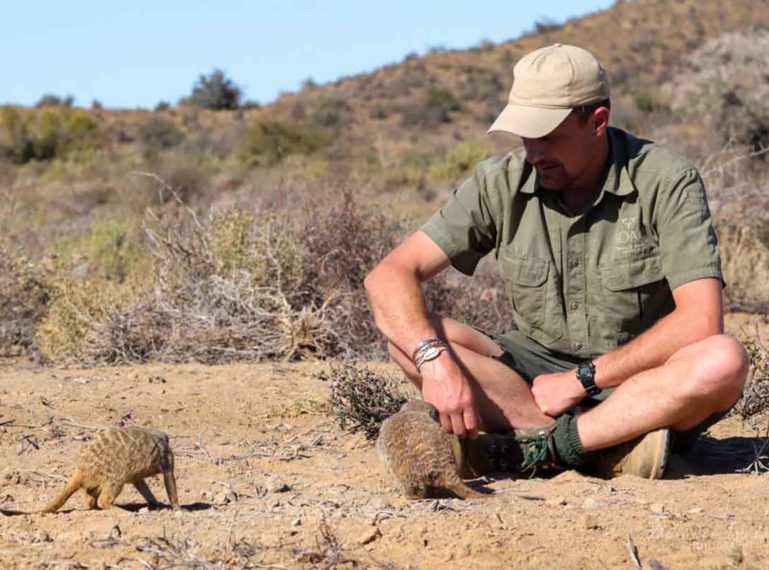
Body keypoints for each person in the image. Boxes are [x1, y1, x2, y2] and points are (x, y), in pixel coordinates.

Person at [364, 43, 749, 479]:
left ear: (598, 122)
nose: (533, 152)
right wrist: (434, 363)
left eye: (547, 136)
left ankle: (538, 450)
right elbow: (389, 275)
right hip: (531, 382)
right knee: (411, 335)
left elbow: (700, 321)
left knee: (723, 359)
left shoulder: (666, 180)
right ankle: (607, 447)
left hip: (638, 382)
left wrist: (582, 380)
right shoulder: (501, 182)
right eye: (525, 136)